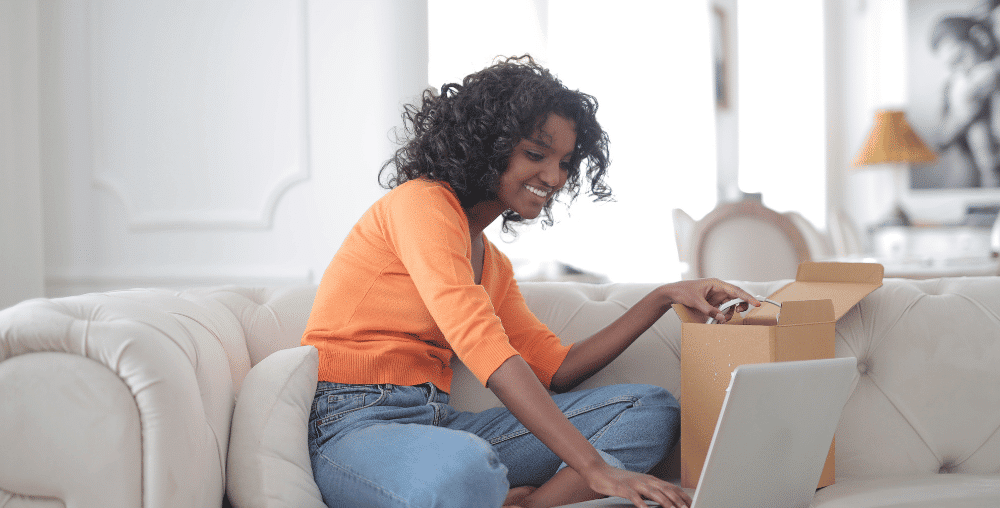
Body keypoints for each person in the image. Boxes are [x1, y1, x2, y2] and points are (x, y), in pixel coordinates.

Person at [301, 55, 759, 508]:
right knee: (468, 465)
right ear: (486, 145)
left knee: (649, 409)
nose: (555, 177)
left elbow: (557, 370)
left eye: (565, 162)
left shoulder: (492, 263)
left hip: (436, 424)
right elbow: (485, 348)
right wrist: (594, 469)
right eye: (536, 155)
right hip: (353, 427)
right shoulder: (421, 204)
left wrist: (661, 298)